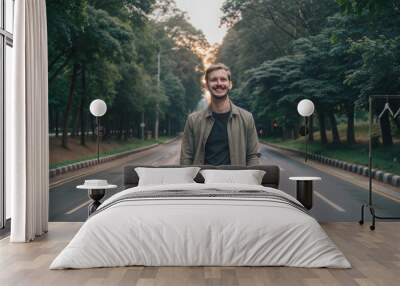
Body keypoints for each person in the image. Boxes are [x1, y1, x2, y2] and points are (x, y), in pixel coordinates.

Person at [180, 63, 260, 166]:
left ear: (230, 84)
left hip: (236, 181)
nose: (219, 83)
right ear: (206, 85)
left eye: (223, 79)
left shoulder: (247, 118)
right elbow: (186, 158)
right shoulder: (193, 120)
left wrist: (248, 179)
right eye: (214, 80)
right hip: (202, 181)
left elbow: (253, 156)